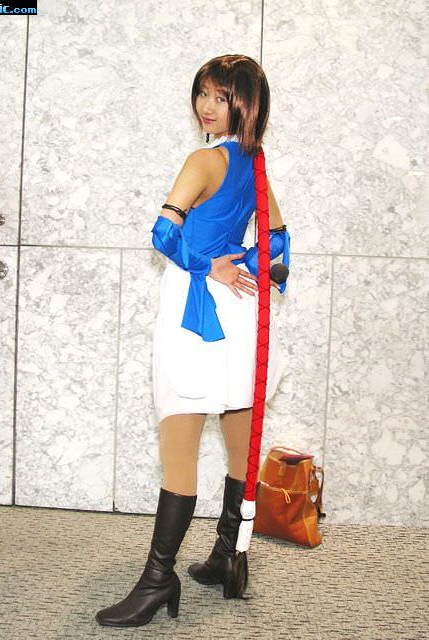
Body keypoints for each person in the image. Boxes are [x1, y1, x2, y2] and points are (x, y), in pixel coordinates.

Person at [95, 54, 288, 628]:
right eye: (202, 93)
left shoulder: (204, 160)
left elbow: (163, 235)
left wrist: (208, 265)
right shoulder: (255, 164)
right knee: (237, 431)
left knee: (179, 441)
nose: (206, 106)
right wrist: (237, 262)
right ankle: (230, 557)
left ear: (245, 105)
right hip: (240, 313)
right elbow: (278, 248)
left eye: (221, 97)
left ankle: (159, 580)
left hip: (194, 308)